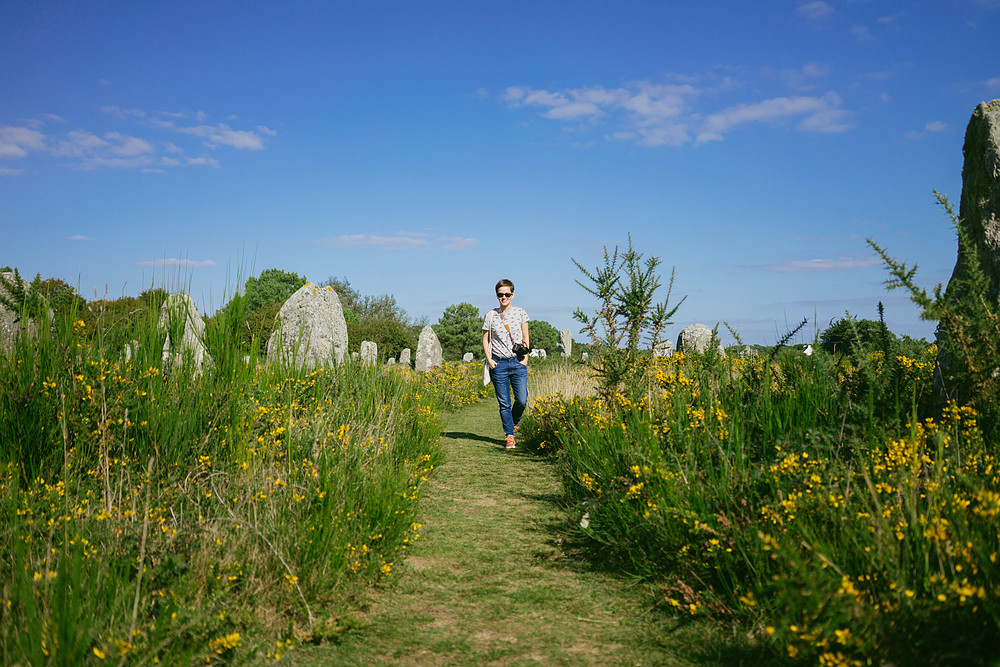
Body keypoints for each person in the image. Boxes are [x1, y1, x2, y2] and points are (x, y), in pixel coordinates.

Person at [482, 279, 530, 450]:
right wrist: (489, 360)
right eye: (500, 294)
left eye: (507, 294)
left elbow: (525, 337)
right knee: (504, 403)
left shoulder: (521, 313)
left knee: (522, 400)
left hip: (517, 362)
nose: (504, 297)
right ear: (496, 295)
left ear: (512, 295)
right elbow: (486, 339)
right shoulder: (490, 315)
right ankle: (509, 435)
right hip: (499, 364)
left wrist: (525, 359)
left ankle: (514, 422)